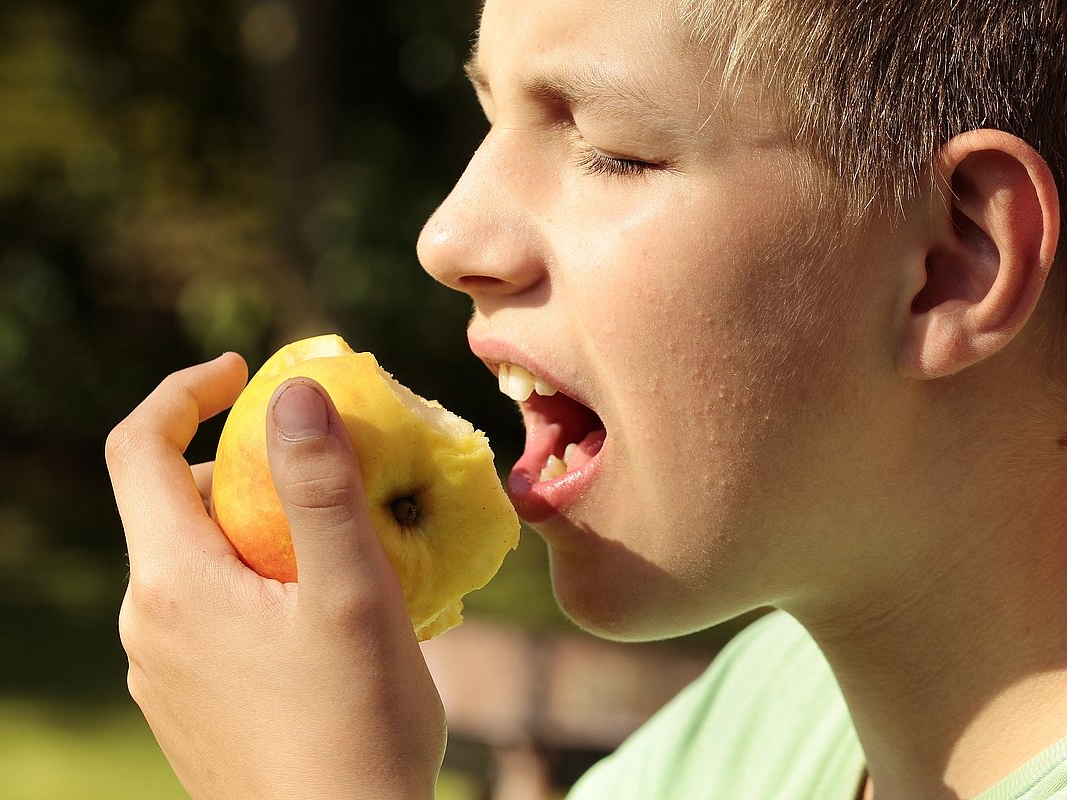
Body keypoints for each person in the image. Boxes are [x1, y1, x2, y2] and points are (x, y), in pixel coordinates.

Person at [105, 0, 1067, 797]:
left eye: (609, 148)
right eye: (490, 117)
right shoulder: (760, 725)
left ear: (949, 264)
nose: (447, 238)